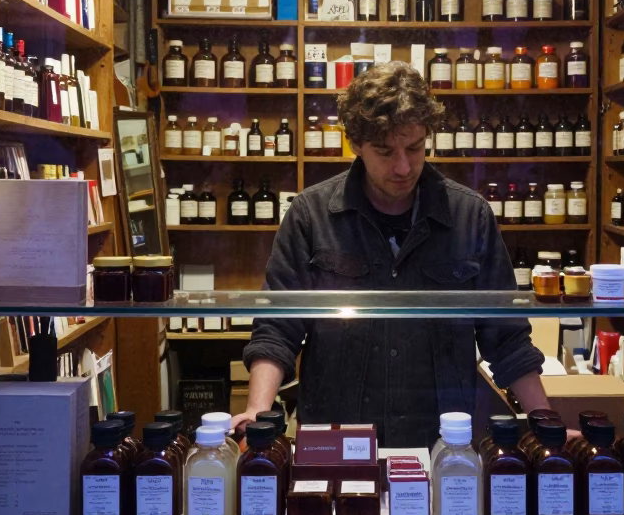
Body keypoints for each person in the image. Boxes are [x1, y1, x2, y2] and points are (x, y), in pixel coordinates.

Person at [235, 62, 552, 448]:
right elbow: (276, 328)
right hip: (338, 438)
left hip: (442, 441)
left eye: (415, 148)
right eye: (385, 151)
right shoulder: (310, 215)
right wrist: (257, 410)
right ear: (355, 143)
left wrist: (545, 424)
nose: (403, 167)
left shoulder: (470, 216)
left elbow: (507, 338)